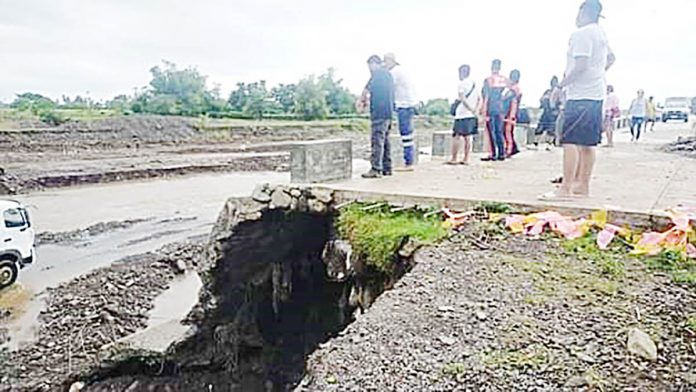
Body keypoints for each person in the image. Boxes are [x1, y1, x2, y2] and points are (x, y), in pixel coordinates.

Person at [541, 0, 615, 200]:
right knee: (587, 144)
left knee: (570, 141)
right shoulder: (601, 33)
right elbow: (611, 58)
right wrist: (598, 73)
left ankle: (565, 188)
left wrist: (560, 86)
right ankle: (583, 186)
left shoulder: (581, 34)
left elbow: (580, 66)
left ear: (584, 12)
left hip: (581, 95)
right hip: (596, 94)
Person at [357, 55, 395, 178]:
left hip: (379, 112)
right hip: (388, 112)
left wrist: (361, 104)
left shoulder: (377, 74)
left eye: (369, 66)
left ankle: (376, 169)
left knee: (377, 141)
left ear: (374, 64)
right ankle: (387, 168)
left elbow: (365, 91)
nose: (369, 69)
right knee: (386, 141)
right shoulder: (388, 75)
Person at [383, 53, 418, 171]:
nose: (384, 64)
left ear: (390, 61)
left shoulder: (394, 72)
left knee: (406, 134)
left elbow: (388, 88)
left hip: (404, 105)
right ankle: (409, 161)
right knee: (408, 134)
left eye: (385, 61)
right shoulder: (401, 70)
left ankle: (409, 163)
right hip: (410, 104)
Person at [449, 64, 480, 165]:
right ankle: (466, 158)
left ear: (461, 72)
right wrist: (475, 110)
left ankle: (454, 158)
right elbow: (480, 99)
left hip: (462, 114)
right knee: (468, 137)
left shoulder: (462, 84)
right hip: (471, 115)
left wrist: (469, 108)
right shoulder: (474, 84)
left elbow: (462, 98)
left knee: (456, 136)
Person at [481, 59, 509, 161]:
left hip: (491, 108)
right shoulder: (505, 80)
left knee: (491, 131)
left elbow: (486, 97)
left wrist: (484, 111)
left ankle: (493, 153)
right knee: (499, 131)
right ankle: (501, 153)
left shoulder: (488, 80)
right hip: (501, 108)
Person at [535, 76, 562, 150]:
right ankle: (536, 143)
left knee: (551, 129)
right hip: (545, 113)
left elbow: (561, 102)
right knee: (540, 127)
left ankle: (549, 144)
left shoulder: (559, 92)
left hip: (553, 113)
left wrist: (557, 110)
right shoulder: (547, 91)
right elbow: (541, 100)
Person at [502, 69, 522, 158]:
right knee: (507, 132)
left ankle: (509, 150)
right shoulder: (514, 88)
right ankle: (513, 148)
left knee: (507, 132)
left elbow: (508, 99)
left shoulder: (514, 89)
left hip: (511, 113)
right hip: (510, 112)